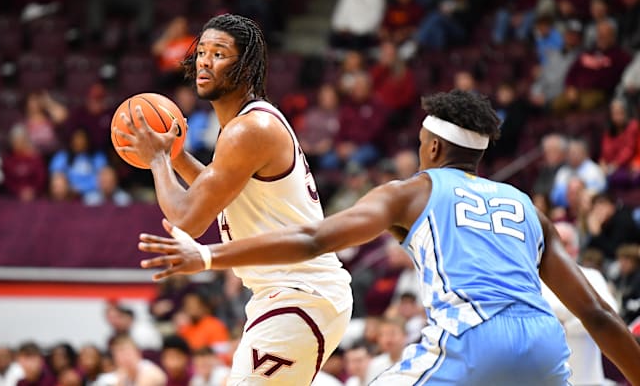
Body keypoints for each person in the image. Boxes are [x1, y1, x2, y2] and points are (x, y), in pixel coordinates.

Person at [138, 90, 640, 385]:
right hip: (546, 348)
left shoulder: (411, 192)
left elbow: (314, 239)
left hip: (474, 338)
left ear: (434, 146)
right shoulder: (525, 206)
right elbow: (597, 313)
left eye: (422, 143)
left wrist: (206, 255)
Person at [114, 13, 352, 384]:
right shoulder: (241, 128)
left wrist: (158, 159)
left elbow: (188, 220)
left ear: (246, 66)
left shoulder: (249, 130)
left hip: (300, 294)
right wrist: (175, 154)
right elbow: (217, 193)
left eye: (219, 53)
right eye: (202, 52)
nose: (205, 61)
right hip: (293, 295)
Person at [540, 222, 618, 386]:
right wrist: (586, 313)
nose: (559, 248)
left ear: (575, 249)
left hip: (587, 378)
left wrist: (563, 324)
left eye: (565, 243)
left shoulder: (592, 276)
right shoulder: (535, 280)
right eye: (554, 242)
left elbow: (611, 315)